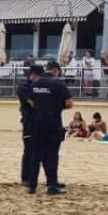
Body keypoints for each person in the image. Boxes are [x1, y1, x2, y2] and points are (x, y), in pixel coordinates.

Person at [25, 61, 72, 195]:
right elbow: (69, 103)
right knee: (52, 154)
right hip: (53, 121)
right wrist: (57, 106)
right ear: (56, 71)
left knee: (36, 154)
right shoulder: (58, 83)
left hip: (38, 121)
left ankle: (31, 185)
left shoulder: (35, 83)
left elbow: (32, 102)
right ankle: (52, 185)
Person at [17, 64, 43, 185]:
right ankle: (25, 177)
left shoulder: (38, 86)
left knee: (40, 151)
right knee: (29, 150)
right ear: (33, 75)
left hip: (39, 121)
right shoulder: (24, 87)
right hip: (29, 121)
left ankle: (32, 177)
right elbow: (32, 103)